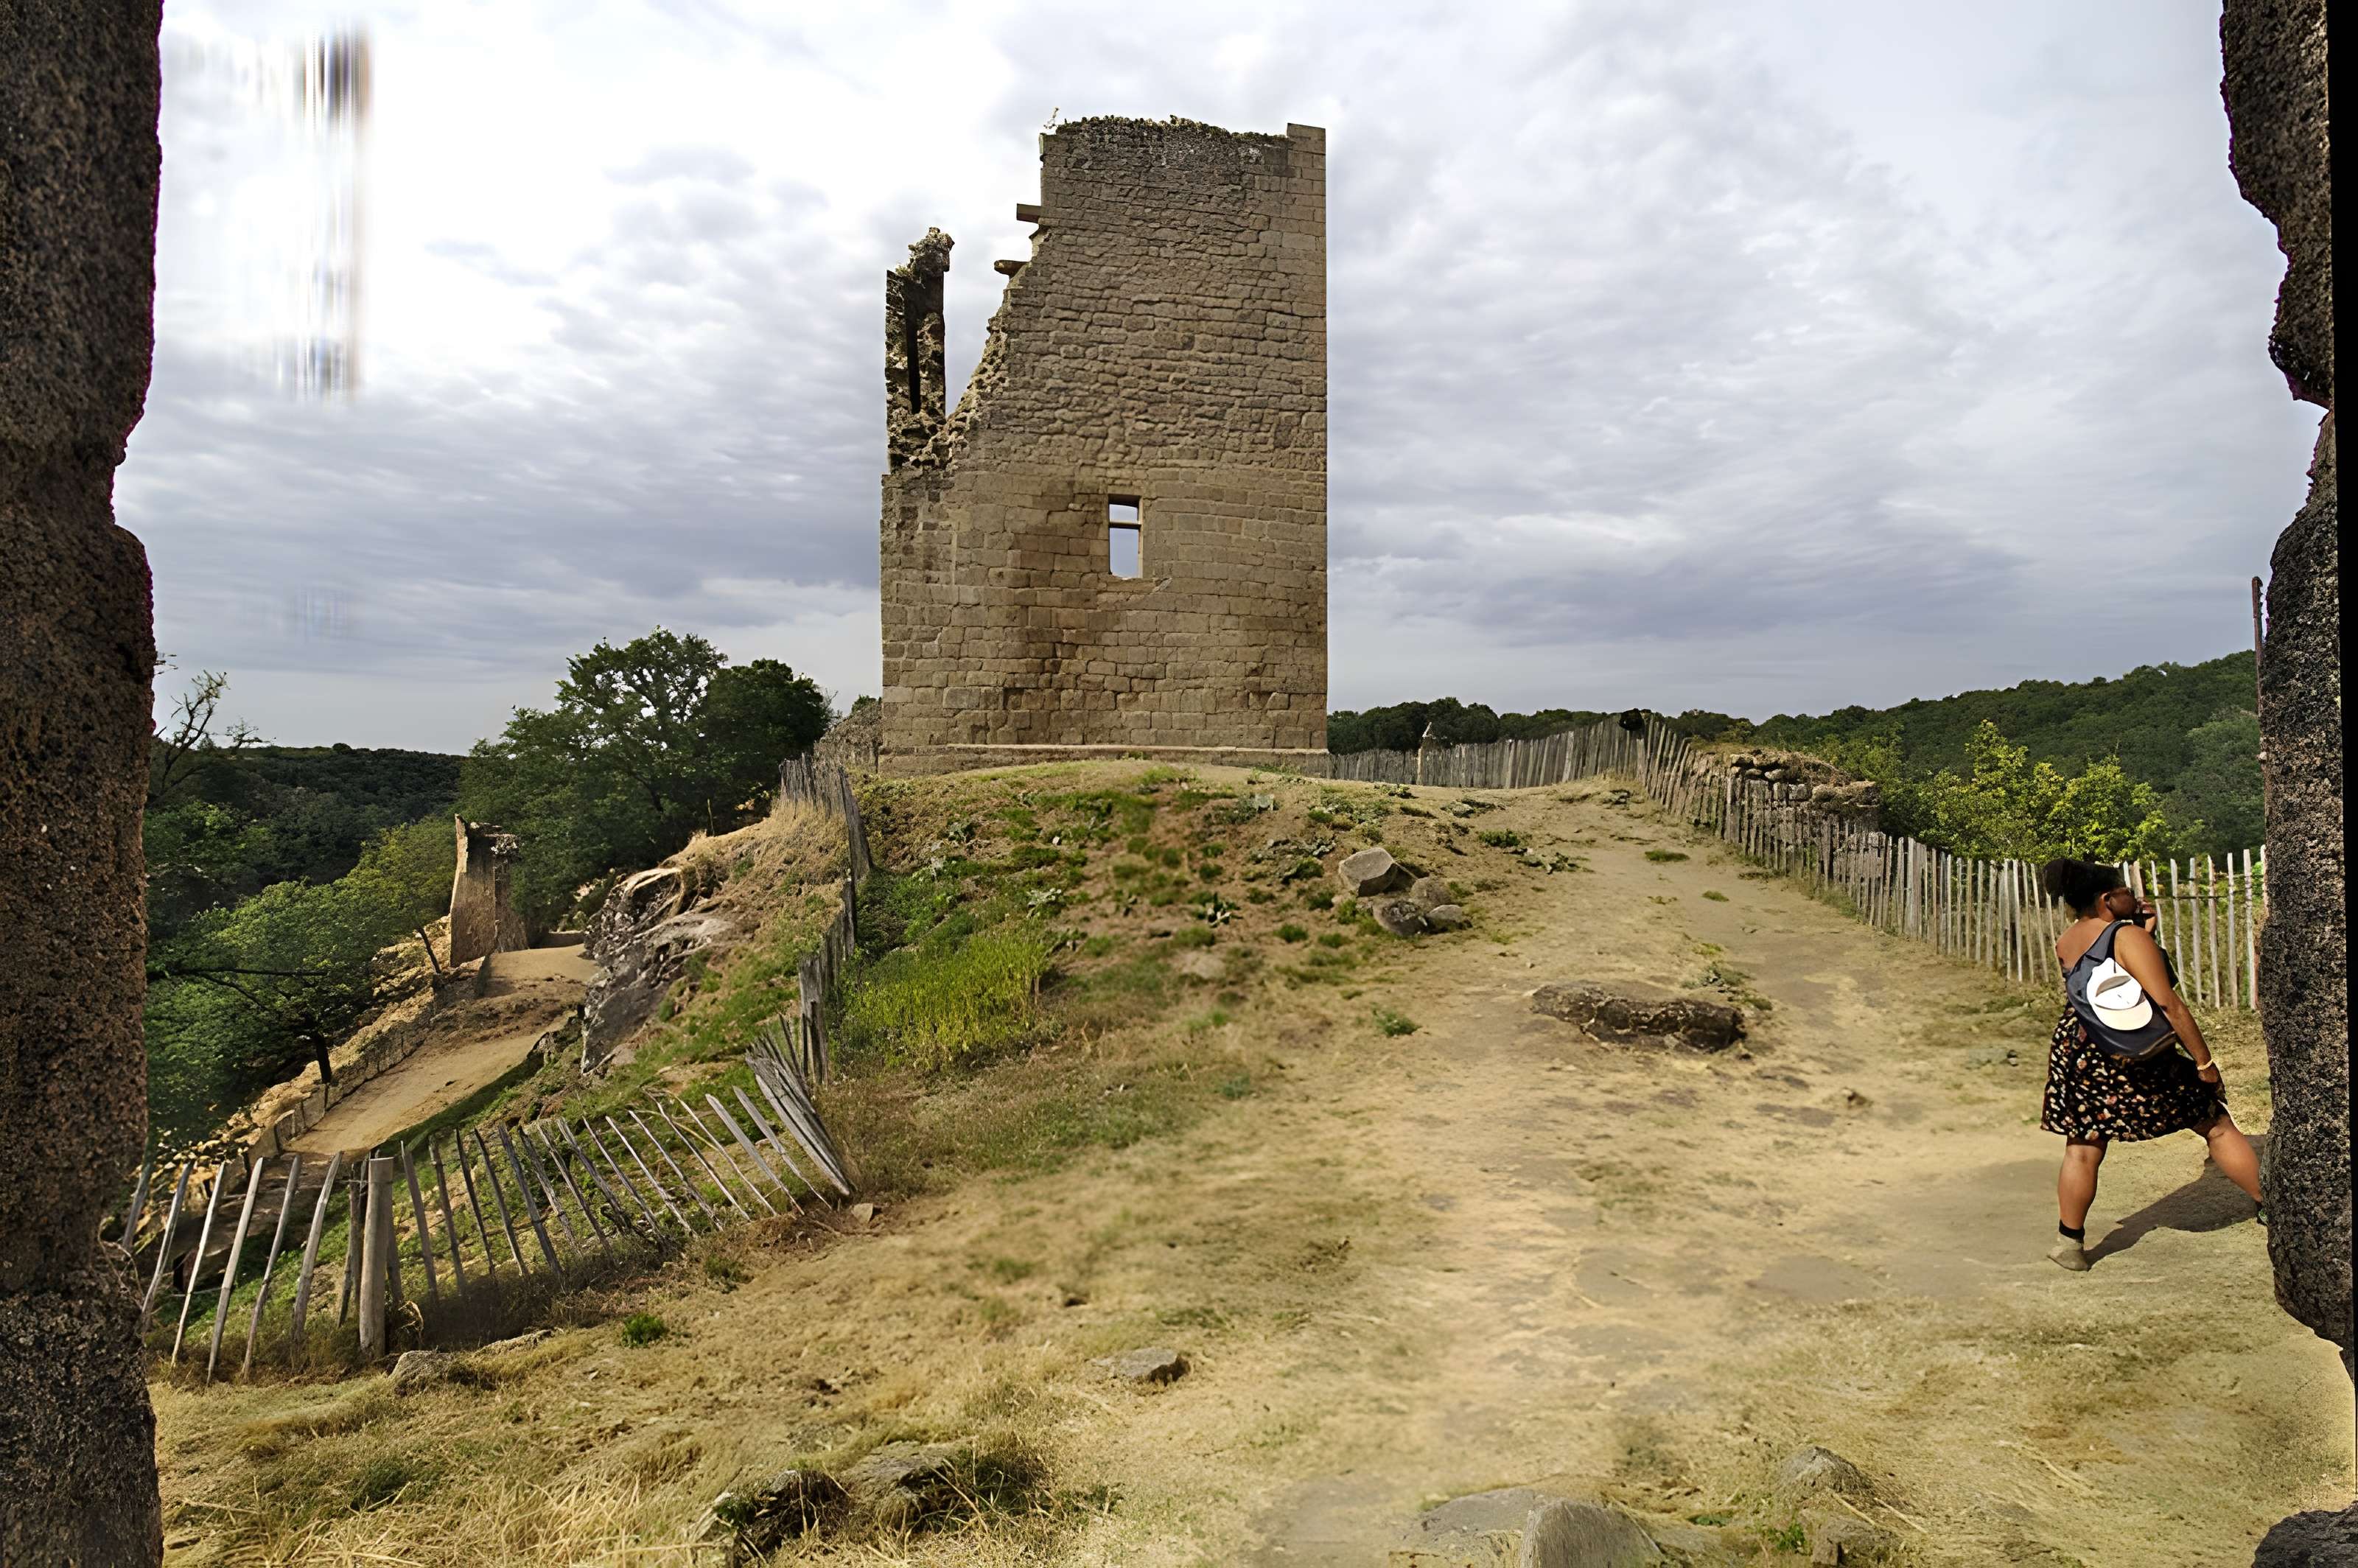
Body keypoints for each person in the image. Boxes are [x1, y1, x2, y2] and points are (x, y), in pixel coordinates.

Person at [2037, 857, 2264, 1270]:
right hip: (2130, 1050)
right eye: (2125, 891)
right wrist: (2204, 1061)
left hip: (2081, 1048)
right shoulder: (2124, 936)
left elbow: (2114, 987)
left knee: (2084, 1145)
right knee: (2214, 1121)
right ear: (2108, 898)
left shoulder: (2068, 938)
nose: (2135, 896)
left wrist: (2146, 935)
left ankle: (2068, 1243)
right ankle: (2273, 1206)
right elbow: (2166, 1001)